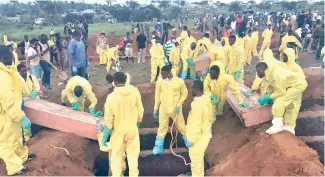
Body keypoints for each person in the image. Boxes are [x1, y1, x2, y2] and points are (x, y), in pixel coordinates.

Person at [0, 46, 36, 175]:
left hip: (11, 114)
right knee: (7, 142)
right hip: (4, 116)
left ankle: (22, 157)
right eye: (11, 56)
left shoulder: (8, 71)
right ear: (4, 58)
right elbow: (7, 101)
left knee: (16, 137)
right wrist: (21, 116)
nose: (13, 58)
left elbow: (16, 89)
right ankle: (15, 168)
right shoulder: (2, 76)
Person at [101, 72, 144, 176]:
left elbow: (108, 120)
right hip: (132, 130)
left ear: (114, 82)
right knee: (133, 158)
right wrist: (138, 123)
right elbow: (140, 110)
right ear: (126, 80)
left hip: (118, 132)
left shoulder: (111, 97)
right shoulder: (134, 91)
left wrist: (104, 138)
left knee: (116, 158)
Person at [256, 62, 307, 135]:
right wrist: (268, 94)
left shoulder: (277, 74)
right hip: (291, 84)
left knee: (280, 101)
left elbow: (280, 92)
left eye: (258, 72)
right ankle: (289, 127)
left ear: (262, 70)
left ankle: (277, 125)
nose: (257, 74)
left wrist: (269, 97)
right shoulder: (269, 74)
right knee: (291, 105)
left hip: (298, 85)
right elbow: (271, 86)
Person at [152, 65, 189, 155]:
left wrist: (179, 105)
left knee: (181, 126)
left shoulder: (179, 82)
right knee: (162, 127)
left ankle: (188, 142)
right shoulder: (160, 81)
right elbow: (157, 95)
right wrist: (156, 108)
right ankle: (158, 146)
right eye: (161, 74)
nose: (161, 76)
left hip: (175, 109)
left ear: (169, 73)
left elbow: (185, 93)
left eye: (163, 74)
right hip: (163, 109)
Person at [185, 79, 212, 176]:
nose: (190, 90)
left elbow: (196, 125)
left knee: (196, 157)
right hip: (205, 132)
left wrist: (191, 139)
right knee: (198, 158)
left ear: (196, 90)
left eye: (191, 88)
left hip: (199, 136)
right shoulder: (205, 98)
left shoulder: (197, 106)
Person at [17, 63, 40, 141]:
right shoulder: (16, 80)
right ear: (18, 71)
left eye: (26, 70)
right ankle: (27, 137)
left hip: (34, 99)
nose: (26, 72)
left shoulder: (31, 77)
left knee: (37, 116)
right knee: (25, 119)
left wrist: (34, 93)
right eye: (23, 71)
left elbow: (37, 87)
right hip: (23, 101)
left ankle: (37, 127)